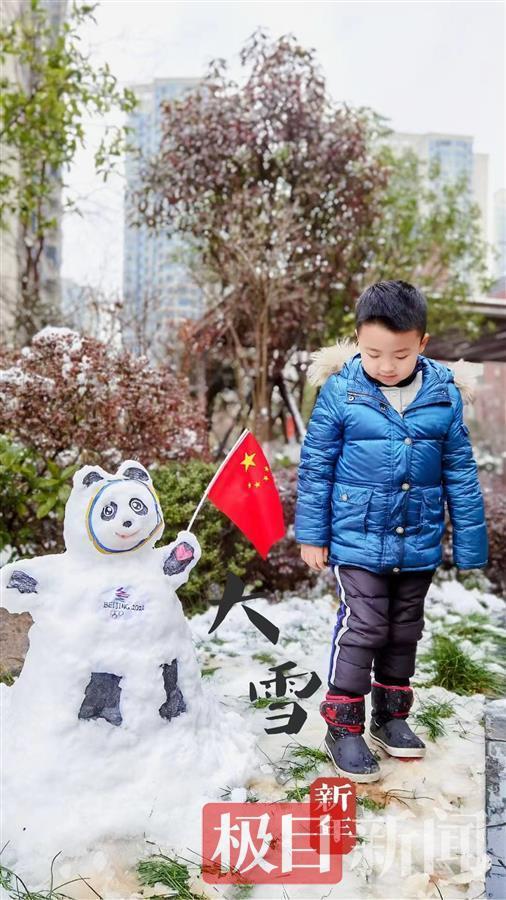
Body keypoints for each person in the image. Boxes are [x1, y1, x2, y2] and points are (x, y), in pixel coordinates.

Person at [294, 280, 488, 782]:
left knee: (405, 630)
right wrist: (312, 534)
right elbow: (317, 466)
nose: (386, 365)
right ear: (357, 339)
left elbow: (460, 471)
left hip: (417, 539)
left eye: (399, 355)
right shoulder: (342, 391)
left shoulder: (443, 393)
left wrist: (470, 542)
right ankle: (343, 724)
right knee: (366, 628)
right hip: (357, 538)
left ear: (421, 344)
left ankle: (390, 715)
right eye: (374, 352)